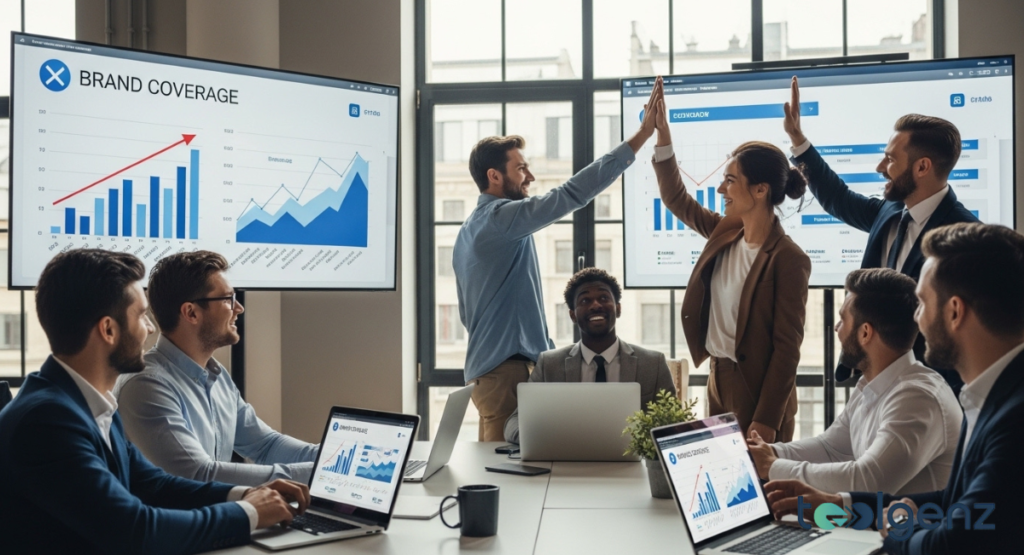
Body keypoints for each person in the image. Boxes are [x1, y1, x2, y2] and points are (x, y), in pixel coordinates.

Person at [0, 250, 309, 554]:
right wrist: (249, 512)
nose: (150, 328)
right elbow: (135, 530)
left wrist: (247, 494)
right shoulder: (47, 420)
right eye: (141, 315)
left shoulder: (87, 404)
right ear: (108, 329)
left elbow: (153, 483)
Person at [764, 223, 1024, 555]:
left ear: (955, 312)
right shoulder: (990, 398)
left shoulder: (1014, 418)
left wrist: (897, 529)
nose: (916, 319)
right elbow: (956, 504)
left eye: (922, 303)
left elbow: (957, 540)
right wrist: (841, 506)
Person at [454, 87, 659, 441]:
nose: (529, 177)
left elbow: (467, 313)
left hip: (494, 370)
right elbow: (570, 194)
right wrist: (640, 138)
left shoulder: (469, 230)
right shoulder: (501, 219)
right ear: (494, 176)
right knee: (507, 473)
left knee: (512, 470)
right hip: (506, 372)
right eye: (521, 169)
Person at [783, 77, 978, 394]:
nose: (880, 166)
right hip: (875, 380)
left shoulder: (964, 239)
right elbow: (839, 198)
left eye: (890, 159)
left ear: (922, 167)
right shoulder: (889, 213)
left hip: (928, 390)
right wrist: (798, 141)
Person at [649, 76, 810, 443]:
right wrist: (663, 137)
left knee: (759, 492)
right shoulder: (726, 230)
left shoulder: (789, 259)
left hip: (757, 388)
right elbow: (677, 200)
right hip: (718, 377)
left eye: (730, 181)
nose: (721, 189)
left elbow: (787, 349)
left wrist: (767, 418)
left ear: (760, 189)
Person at [747, 268, 961, 495]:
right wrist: (767, 452)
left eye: (842, 320)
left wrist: (773, 466)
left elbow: (868, 481)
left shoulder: (917, 398)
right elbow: (830, 448)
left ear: (865, 333)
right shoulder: (872, 384)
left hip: (914, 528)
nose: (837, 329)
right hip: (878, 526)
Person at [115, 251, 318, 487]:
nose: (239, 308)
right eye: (227, 299)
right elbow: (198, 474)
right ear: (191, 312)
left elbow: (265, 445)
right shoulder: (147, 385)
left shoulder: (215, 375)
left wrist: (339, 460)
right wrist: (323, 475)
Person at [503, 268, 677, 443]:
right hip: (568, 462)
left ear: (618, 309)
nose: (595, 305)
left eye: (603, 298)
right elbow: (514, 421)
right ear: (573, 315)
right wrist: (540, 439)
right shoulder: (549, 364)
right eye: (585, 300)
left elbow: (673, 423)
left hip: (632, 465)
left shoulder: (653, 364)